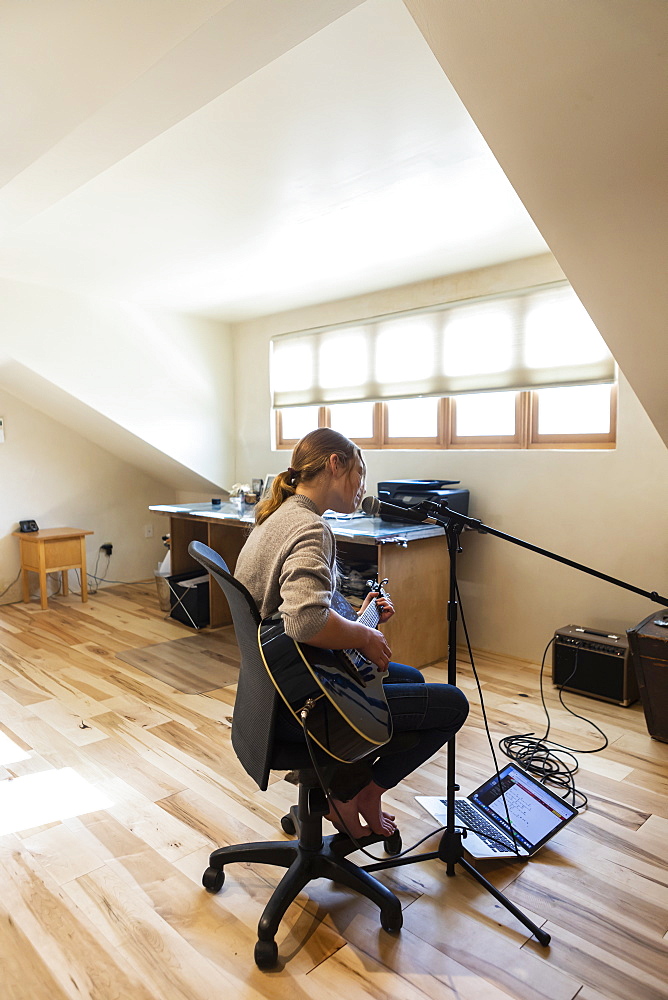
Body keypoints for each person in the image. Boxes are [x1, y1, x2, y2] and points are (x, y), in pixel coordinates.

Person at [234, 428, 469, 839]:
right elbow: (305, 623)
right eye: (361, 472)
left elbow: (299, 612)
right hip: (305, 708)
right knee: (452, 705)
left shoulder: (276, 518)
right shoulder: (310, 527)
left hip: (273, 696)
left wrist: (360, 618)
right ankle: (363, 792)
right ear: (335, 464)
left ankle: (343, 788)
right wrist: (364, 637)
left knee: (409, 678)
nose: (363, 487)